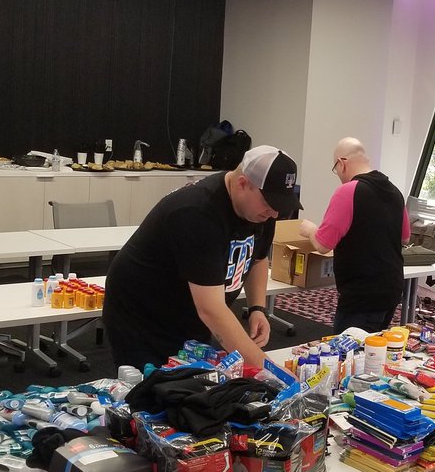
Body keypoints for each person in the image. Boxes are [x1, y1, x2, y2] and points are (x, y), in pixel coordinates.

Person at [103, 145, 302, 369]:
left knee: (192, 381)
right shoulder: (197, 212)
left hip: (189, 310)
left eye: (280, 205)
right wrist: (270, 371)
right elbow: (211, 310)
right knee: (153, 389)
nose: (275, 213)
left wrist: (257, 308)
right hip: (143, 315)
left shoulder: (260, 212)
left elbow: (258, 258)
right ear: (243, 183)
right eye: (270, 203)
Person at [299, 137, 410, 333]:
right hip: (391, 288)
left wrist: (309, 230)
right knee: (373, 350)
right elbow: (405, 238)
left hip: (362, 294)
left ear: (341, 164)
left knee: (346, 355)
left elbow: (323, 244)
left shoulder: (348, 191)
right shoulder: (394, 192)